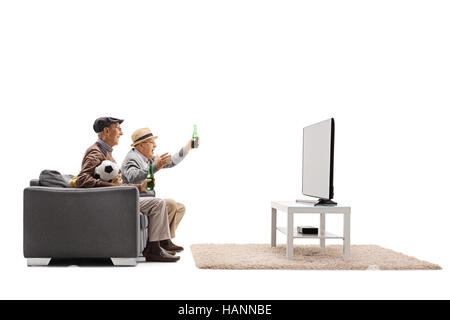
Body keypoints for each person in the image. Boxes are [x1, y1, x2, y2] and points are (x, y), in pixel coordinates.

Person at [75, 117, 179, 262]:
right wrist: (111, 186)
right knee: (158, 203)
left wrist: (139, 187)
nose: (121, 133)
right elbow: (82, 179)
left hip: (114, 198)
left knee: (163, 203)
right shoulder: (96, 152)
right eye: (118, 128)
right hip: (109, 201)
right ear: (106, 131)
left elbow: (116, 185)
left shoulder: (105, 152)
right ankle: (154, 249)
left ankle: (160, 245)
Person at [121, 127, 196, 253]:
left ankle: (164, 241)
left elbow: (171, 162)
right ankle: (161, 243)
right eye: (151, 142)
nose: (155, 145)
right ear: (141, 145)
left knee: (180, 207)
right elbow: (133, 176)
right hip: (137, 199)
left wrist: (188, 147)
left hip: (146, 199)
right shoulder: (132, 158)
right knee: (171, 204)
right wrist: (155, 166)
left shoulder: (146, 157)